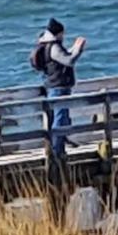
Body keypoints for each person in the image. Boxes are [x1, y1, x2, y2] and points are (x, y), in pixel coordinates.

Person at [31, 18, 86, 156]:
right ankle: (57, 150)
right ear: (58, 33)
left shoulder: (50, 45)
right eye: (62, 33)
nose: (63, 36)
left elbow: (65, 55)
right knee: (60, 119)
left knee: (64, 118)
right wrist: (78, 50)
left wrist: (74, 47)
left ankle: (62, 144)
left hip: (57, 87)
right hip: (58, 87)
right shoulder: (54, 47)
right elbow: (69, 60)